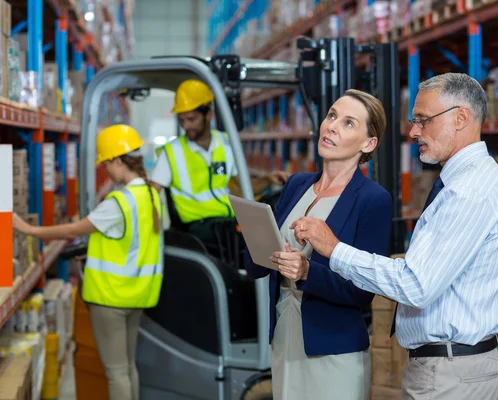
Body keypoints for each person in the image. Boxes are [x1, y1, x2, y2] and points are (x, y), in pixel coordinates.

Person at [292, 73, 498, 400]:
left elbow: (417, 285)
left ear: (461, 118)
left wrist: (335, 249)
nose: (414, 131)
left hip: (451, 372)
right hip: (454, 367)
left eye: (423, 120)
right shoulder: (470, 183)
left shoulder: (469, 192)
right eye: (413, 120)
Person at [244, 89, 393, 400]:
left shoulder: (372, 200)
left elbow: (364, 291)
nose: (332, 126)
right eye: (332, 115)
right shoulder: (297, 184)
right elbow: (254, 264)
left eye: (349, 123)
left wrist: (307, 271)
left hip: (333, 349)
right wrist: (258, 240)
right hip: (285, 336)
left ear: (369, 144)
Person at [13, 124, 163, 400]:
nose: (104, 170)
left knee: (115, 372)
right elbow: (130, 241)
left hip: (112, 298)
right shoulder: (152, 194)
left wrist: (30, 230)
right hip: (139, 294)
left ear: (117, 160)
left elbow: (74, 230)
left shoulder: (120, 200)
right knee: (128, 368)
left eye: (105, 163)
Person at [150, 79, 290, 245]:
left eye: (191, 119)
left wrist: (267, 179)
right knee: (248, 241)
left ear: (208, 114)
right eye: (182, 121)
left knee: (275, 218)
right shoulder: (171, 152)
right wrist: (153, 231)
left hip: (227, 220)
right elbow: (152, 192)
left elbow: (244, 188)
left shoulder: (225, 143)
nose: (186, 126)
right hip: (198, 225)